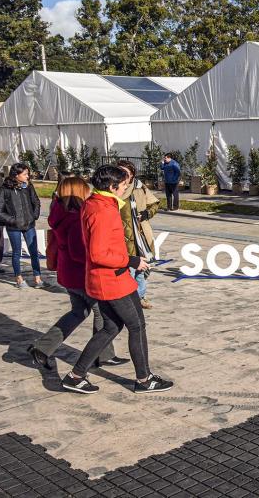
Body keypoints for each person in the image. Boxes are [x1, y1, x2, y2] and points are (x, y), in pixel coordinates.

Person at [61, 165, 173, 394]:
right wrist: (131, 260)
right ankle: (144, 379)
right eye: (123, 185)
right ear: (112, 187)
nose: (125, 188)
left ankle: (75, 375)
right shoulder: (102, 210)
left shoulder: (98, 203)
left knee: (111, 327)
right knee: (137, 326)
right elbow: (99, 253)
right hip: (111, 279)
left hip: (114, 278)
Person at [27, 177, 128, 370]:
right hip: (80, 275)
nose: (89, 194)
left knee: (78, 312)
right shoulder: (74, 218)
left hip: (68, 273)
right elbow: (79, 252)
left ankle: (42, 349)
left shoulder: (59, 212)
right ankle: (101, 355)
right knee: (104, 314)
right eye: (86, 190)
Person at [0, 163, 44, 289]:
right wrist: (12, 220)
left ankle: (38, 278)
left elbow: (36, 201)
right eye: (25, 174)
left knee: (34, 252)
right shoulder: (5, 189)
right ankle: (19, 279)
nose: (28, 176)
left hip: (29, 225)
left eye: (28, 173)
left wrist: (34, 215)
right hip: (14, 227)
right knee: (16, 253)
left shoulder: (28, 186)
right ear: (16, 175)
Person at [116, 160, 160, 309]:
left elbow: (154, 204)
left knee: (142, 270)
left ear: (132, 175)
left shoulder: (140, 188)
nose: (122, 176)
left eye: (126, 174)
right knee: (129, 269)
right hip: (122, 235)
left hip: (141, 235)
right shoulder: (114, 190)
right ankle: (129, 299)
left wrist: (147, 213)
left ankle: (140, 296)